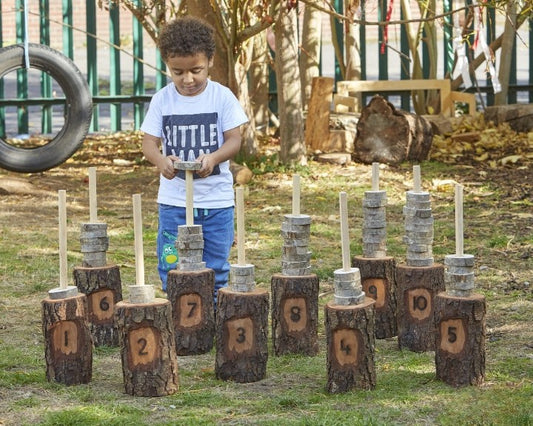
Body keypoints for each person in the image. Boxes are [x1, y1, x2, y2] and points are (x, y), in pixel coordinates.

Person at [141, 16, 248, 299]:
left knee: (215, 262)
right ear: (167, 65)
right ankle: (177, 307)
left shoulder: (222, 97)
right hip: (174, 202)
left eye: (196, 70)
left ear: (210, 61)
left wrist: (213, 158)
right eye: (178, 72)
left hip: (216, 202)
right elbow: (149, 143)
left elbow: (235, 139)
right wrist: (161, 160)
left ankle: (213, 309)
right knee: (171, 260)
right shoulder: (162, 100)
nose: (187, 79)